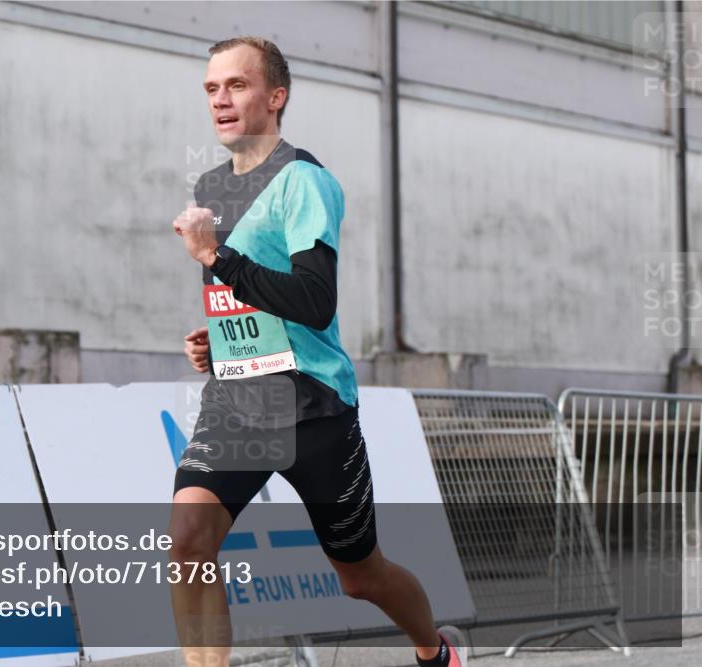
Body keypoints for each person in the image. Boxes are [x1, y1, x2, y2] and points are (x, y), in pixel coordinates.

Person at [169, 36, 466, 667]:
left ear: (275, 98)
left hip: (314, 408)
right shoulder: (210, 185)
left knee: (362, 577)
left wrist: (214, 255)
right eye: (211, 89)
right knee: (189, 537)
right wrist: (218, 344)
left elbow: (312, 302)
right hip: (239, 404)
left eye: (237, 86)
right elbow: (247, 299)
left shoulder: (304, 182)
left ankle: (433, 651)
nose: (221, 100)